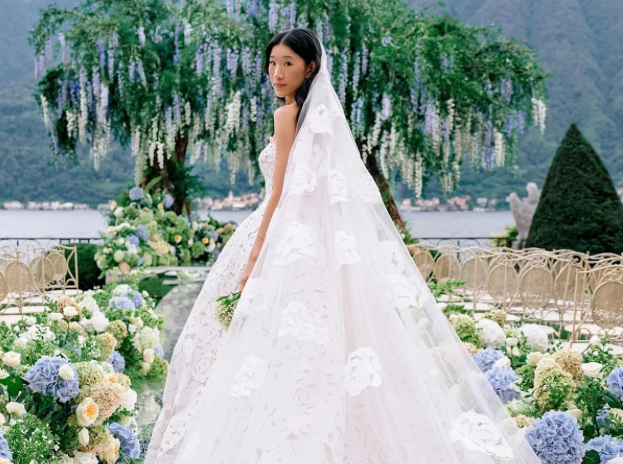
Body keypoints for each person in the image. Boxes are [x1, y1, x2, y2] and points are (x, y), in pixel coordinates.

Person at [146, 28, 541, 464]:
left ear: (310, 67)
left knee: (256, 347)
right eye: (272, 63)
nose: (276, 73)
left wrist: (255, 256)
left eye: (288, 64)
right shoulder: (321, 118)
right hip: (311, 238)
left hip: (279, 232)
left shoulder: (287, 116)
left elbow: (279, 192)